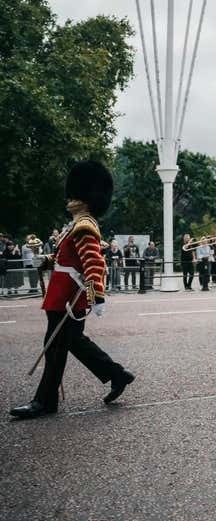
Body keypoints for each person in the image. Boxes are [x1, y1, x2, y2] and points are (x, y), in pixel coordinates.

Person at [9, 160, 134, 420]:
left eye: (74, 194)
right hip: (62, 292)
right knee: (72, 343)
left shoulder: (85, 225)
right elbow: (65, 259)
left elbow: (94, 262)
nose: (69, 198)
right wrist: (43, 261)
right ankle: (117, 374)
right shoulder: (76, 224)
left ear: (85, 197)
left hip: (69, 296)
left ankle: (44, 402)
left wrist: (97, 295)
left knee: (55, 346)